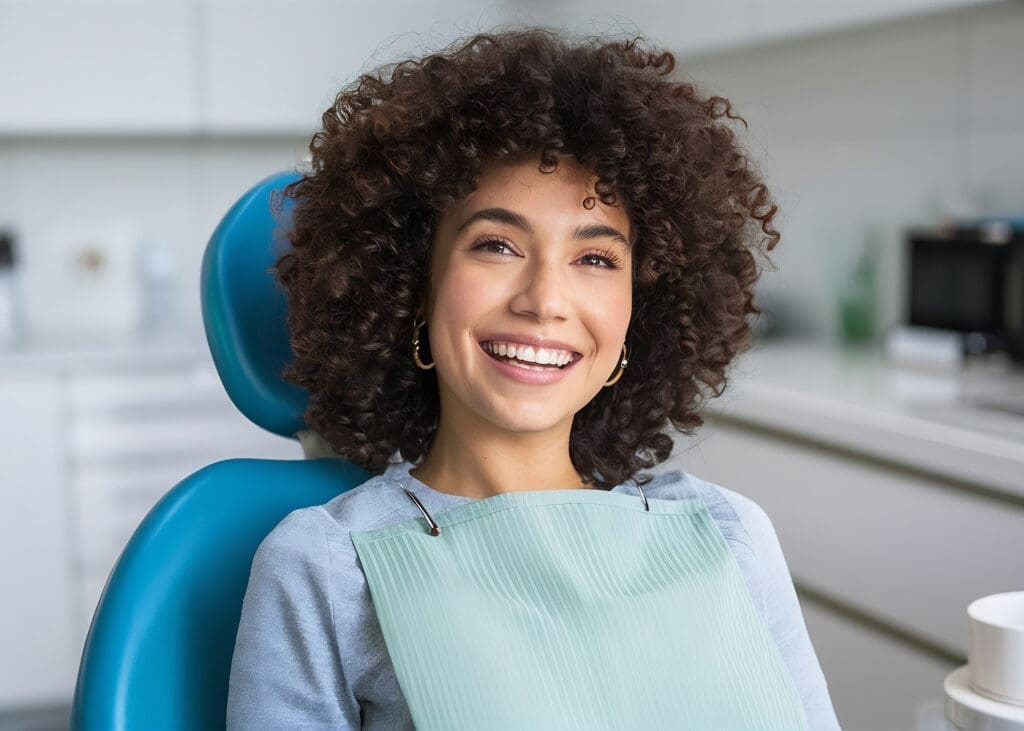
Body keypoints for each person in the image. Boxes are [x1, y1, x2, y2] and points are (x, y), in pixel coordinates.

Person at [226, 27, 840, 730]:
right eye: (497, 244)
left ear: (640, 312)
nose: (545, 299)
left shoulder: (727, 534)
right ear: (412, 287)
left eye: (597, 259)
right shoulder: (328, 568)